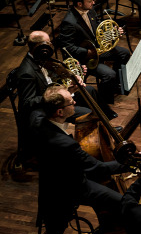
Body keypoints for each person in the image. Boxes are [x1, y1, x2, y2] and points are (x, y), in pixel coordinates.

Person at [29, 85, 131, 234]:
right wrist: (131, 163)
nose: (75, 102)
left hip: (49, 184)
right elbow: (99, 167)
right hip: (72, 189)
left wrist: (70, 89)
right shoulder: (66, 144)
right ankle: (114, 232)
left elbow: (39, 105)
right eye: (71, 102)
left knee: (54, 232)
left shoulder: (36, 118)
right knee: (123, 202)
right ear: (60, 112)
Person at [14, 31, 93, 160]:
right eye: (48, 43)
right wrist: (58, 96)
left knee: (89, 96)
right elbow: (28, 102)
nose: (51, 45)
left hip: (54, 103)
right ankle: (76, 151)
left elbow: (53, 80)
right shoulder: (26, 72)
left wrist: (72, 79)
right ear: (41, 47)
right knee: (87, 114)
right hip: (42, 112)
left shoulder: (43, 59)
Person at [57, 0, 131, 119]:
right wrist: (87, 52)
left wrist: (113, 33)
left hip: (97, 50)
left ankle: (115, 85)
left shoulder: (90, 11)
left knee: (124, 53)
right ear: (79, 4)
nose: (93, 3)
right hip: (85, 59)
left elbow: (97, 28)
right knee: (109, 74)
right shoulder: (69, 22)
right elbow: (67, 48)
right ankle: (103, 104)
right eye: (90, 1)